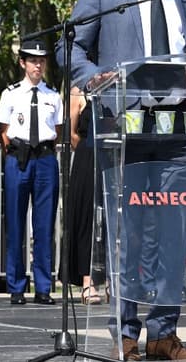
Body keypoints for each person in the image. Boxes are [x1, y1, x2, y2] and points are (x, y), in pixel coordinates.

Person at [57, 0, 186, 358]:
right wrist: (93, 79)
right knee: (126, 234)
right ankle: (125, 334)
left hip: (179, 128)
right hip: (123, 127)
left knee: (173, 233)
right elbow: (70, 47)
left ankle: (163, 333)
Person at [0, 40, 62, 306]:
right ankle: (16, 286)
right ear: (23, 63)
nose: (38, 65)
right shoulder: (11, 93)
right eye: (33, 61)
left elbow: (57, 132)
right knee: (15, 222)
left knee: (45, 225)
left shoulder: (52, 95)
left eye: (42, 61)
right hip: (19, 158)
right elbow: (3, 130)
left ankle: (43, 286)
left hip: (45, 158)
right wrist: (16, 153)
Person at [62, 86, 103, 304]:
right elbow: (71, 133)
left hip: (114, 155)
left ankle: (115, 284)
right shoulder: (78, 91)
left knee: (113, 220)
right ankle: (88, 281)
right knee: (87, 218)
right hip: (87, 156)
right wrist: (90, 149)